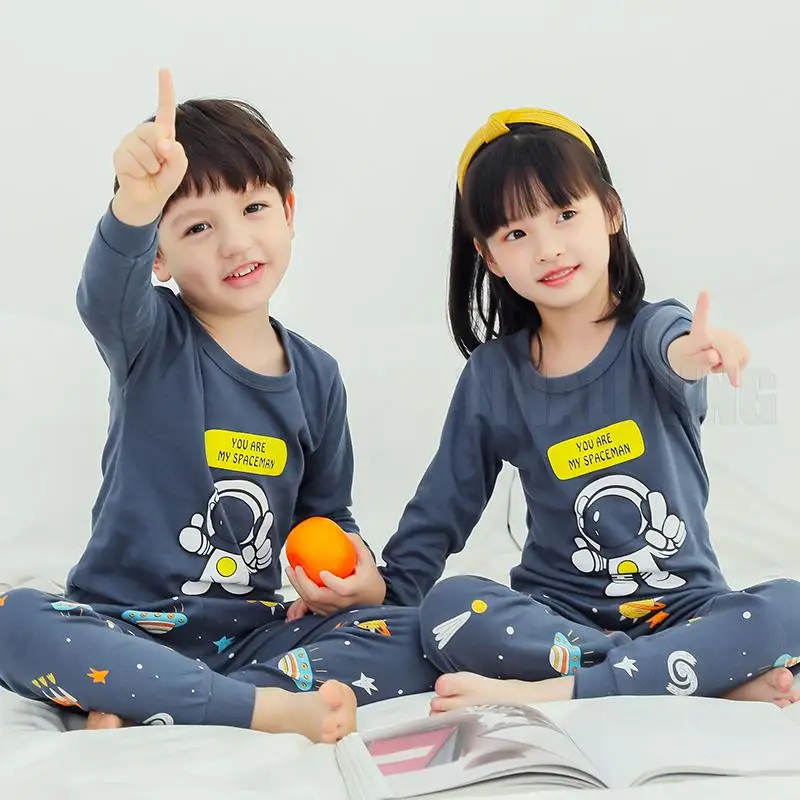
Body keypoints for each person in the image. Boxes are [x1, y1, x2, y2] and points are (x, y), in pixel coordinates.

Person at [0, 69, 435, 742]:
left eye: (254, 208)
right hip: (121, 624)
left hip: (252, 636)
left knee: (418, 631)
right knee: (12, 618)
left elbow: (325, 515)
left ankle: (157, 699)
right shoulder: (149, 337)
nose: (235, 243)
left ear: (289, 213)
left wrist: (356, 577)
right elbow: (103, 294)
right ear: (159, 257)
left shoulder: (317, 376)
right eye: (199, 226)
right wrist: (137, 203)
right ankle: (251, 708)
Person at [378, 107, 800, 712]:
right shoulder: (495, 376)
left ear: (611, 211)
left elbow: (674, 353)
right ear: (489, 257)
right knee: (450, 607)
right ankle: (690, 675)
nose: (548, 249)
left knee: (791, 606)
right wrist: (388, 601)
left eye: (565, 215)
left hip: (685, 608)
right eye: (516, 234)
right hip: (558, 619)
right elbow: (442, 507)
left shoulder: (657, 330)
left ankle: (568, 690)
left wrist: (696, 354)